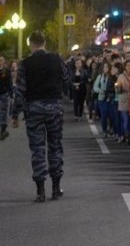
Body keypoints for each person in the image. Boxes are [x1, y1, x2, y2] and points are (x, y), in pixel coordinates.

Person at [11, 31, 68, 202]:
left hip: (34, 109)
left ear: (31, 44)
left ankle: (40, 190)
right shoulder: (57, 59)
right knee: (55, 146)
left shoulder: (25, 64)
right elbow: (66, 79)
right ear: (44, 42)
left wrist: (15, 114)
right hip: (54, 107)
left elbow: (20, 90)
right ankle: (56, 187)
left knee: (37, 149)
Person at [69, 57, 89, 122]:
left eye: (79, 63)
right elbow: (70, 80)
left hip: (82, 89)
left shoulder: (84, 71)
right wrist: (73, 84)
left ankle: (80, 115)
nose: (78, 64)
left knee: (81, 103)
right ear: (75, 64)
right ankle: (75, 115)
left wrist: (79, 84)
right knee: (75, 102)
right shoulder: (72, 71)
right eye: (77, 63)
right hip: (74, 89)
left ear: (81, 64)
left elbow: (86, 80)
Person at [0, 55, 13, 139]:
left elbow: (9, 83)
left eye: (1, 60)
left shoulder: (6, 71)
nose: (0, 61)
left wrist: (11, 94)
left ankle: (3, 130)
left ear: (4, 61)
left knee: (3, 111)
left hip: (3, 93)